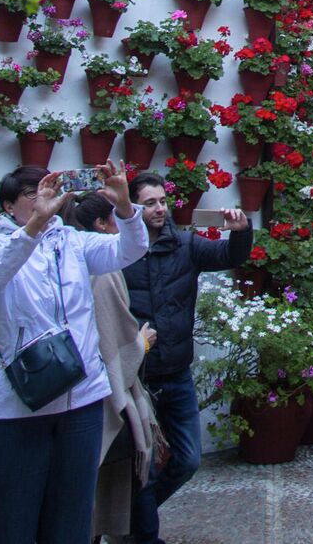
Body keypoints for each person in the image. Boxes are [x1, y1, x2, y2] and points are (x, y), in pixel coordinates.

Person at [0, 162, 149, 544]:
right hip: (14, 407)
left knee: (71, 523)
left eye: (50, 190)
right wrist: (33, 228)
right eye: (33, 194)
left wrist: (125, 207)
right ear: (7, 206)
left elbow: (131, 249)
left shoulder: (73, 242)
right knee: (12, 525)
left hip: (80, 401)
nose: (45, 200)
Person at [121, 171, 252, 544]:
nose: (160, 208)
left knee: (188, 460)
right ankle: (143, 536)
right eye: (150, 203)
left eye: (162, 201)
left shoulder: (185, 245)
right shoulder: (118, 252)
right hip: (137, 376)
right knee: (140, 468)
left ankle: (130, 520)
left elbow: (229, 255)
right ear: (131, 208)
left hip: (176, 373)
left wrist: (241, 230)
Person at [69, 191, 167, 542]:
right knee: (115, 490)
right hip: (104, 396)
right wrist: (140, 343)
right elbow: (114, 341)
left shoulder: (78, 257)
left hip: (82, 392)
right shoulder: (102, 268)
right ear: (101, 224)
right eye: (121, 218)